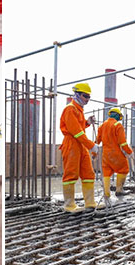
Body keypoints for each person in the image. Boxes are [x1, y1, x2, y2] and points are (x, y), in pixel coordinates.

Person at [59, 83, 99, 212]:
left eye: (89, 97)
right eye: (85, 96)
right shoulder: (70, 109)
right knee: (71, 173)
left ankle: (90, 202)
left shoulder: (78, 109)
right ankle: (69, 205)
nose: (87, 99)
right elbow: (76, 132)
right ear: (77, 94)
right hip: (72, 144)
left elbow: (79, 128)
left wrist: (87, 122)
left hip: (80, 144)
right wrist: (91, 145)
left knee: (88, 173)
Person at [95, 107, 133, 208]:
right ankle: (119, 190)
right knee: (123, 169)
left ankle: (106, 194)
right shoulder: (117, 125)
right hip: (116, 154)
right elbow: (123, 143)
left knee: (106, 174)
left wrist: (94, 153)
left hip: (105, 155)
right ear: (117, 115)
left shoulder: (102, 126)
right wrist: (130, 152)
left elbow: (97, 141)